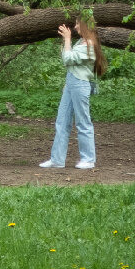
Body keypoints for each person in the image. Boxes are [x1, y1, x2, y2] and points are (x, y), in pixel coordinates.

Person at [40, 13, 104, 170]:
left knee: (83, 121)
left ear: (84, 26)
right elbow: (70, 63)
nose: (75, 27)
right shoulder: (82, 42)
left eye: (77, 24)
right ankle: (57, 159)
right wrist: (67, 84)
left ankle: (88, 159)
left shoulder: (89, 45)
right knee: (62, 121)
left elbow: (67, 59)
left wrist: (67, 39)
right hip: (71, 83)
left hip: (80, 84)